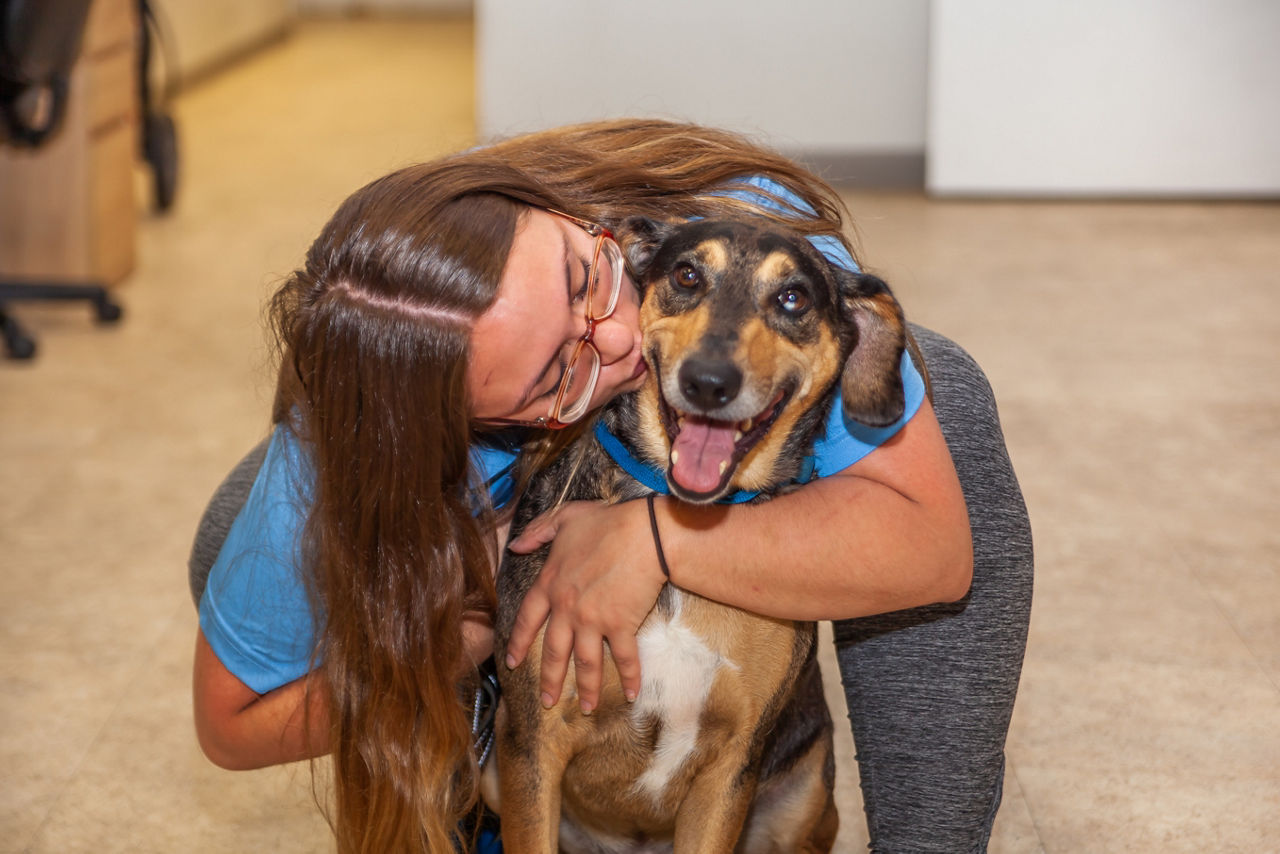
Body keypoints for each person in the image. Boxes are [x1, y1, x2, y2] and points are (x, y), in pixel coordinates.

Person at [189, 118, 1032, 854]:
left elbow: (932, 549)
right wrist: (459, 637)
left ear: (581, 223)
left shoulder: (732, 230)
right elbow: (229, 726)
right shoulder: (360, 444)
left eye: (583, 280)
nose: (620, 342)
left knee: (942, 387)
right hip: (481, 608)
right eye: (556, 375)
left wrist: (657, 536)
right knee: (261, 534)